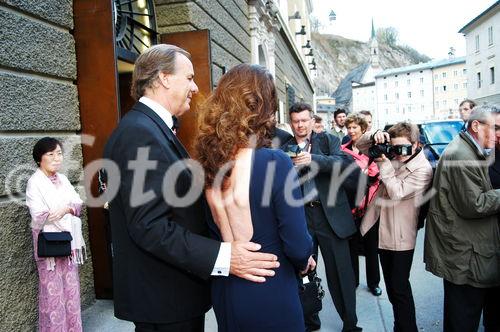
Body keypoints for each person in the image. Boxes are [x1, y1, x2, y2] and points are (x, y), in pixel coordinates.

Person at [103, 44, 279, 331]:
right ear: (163, 78)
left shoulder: (150, 128)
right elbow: (149, 226)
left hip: (171, 296)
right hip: (164, 301)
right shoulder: (140, 134)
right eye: (189, 78)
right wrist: (225, 257)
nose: (196, 87)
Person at [195, 64, 315, 331]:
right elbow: (297, 244)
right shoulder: (275, 162)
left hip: (226, 289)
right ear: (263, 106)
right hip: (269, 288)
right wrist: (306, 256)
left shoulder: (207, 163)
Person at [282, 102, 361, 332]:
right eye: (296, 121)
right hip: (302, 217)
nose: (300, 125)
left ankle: (350, 323)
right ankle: (310, 320)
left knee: (341, 275)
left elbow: (343, 164)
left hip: (330, 217)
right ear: (291, 122)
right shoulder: (284, 147)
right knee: (304, 272)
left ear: (311, 120)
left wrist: (313, 159)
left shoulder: (327, 140)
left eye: (304, 120)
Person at [424, 106, 500, 332]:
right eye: (495, 127)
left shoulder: (468, 149)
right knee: (463, 320)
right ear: (476, 126)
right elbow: (475, 204)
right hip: (466, 257)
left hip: (470, 253)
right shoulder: (461, 155)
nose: (498, 134)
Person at [357, 122, 433, 332]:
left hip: (401, 236)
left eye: (404, 148)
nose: (398, 153)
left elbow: (397, 192)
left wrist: (384, 162)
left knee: (399, 289)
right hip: (381, 229)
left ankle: (408, 328)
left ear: (416, 144)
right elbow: (361, 146)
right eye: (395, 147)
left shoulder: (423, 169)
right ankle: (400, 327)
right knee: (392, 289)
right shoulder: (393, 154)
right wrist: (376, 135)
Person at [26, 137, 86, 332]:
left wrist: (65, 209)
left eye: (59, 153)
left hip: (67, 243)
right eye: (50, 154)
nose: (56, 158)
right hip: (48, 246)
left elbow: (77, 204)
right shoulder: (34, 183)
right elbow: (38, 215)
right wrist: (63, 209)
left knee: (70, 291)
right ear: (39, 159)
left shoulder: (64, 180)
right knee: (53, 295)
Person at [341, 114, 382, 297]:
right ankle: (354, 281)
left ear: (363, 129)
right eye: (349, 128)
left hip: (370, 205)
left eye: (354, 127)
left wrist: (367, 171)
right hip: (350, 206)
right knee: (352, 247)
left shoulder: (373, 150)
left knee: (372, 246)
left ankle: (374, 283)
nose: (351, 131)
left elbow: (378, 177)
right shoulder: (342, 150)